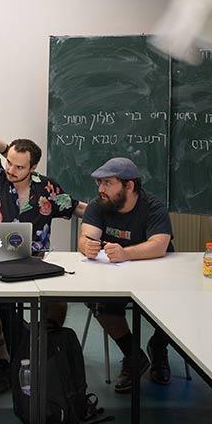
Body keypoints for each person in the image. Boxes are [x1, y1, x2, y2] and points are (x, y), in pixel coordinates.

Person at [0, 130, 84, 393]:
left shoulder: (46, 187)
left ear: (33, 167)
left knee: (59, 299)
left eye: (20, 166)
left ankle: (43, 352)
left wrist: (107, 215)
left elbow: (76, 207)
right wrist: (9, 150)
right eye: (9, 162)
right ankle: (3, 359)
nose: (12, 169)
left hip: (37, 261)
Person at [78, 157, 175, 392]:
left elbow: (160, 244)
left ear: (129, 186)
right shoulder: (98, 205)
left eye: (107, 183)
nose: (101, 189)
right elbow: (85, 237)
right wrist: (86, 246)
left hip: (156, 274)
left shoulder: (153, 206)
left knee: (175, 304)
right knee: (98, 301)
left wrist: (126, 253)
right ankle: (133, 355)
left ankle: (159, 349)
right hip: (114, 275)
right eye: (99, 183)